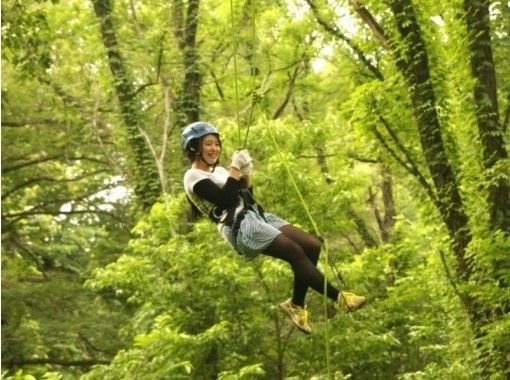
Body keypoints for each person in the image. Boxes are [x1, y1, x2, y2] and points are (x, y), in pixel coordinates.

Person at [182, 121, 366, 334]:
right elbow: (224, 200)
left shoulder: (221, 171)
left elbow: (245, 194)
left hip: (256, 215)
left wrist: (246, 173)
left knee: (312, 246)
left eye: (216, 144)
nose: (215, 149)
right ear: (195, 148)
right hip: (239, 226)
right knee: (295, 252)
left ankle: (296, 305)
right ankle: (340, 299)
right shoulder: (193, 176)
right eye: (208, 144)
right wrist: (235, 168)